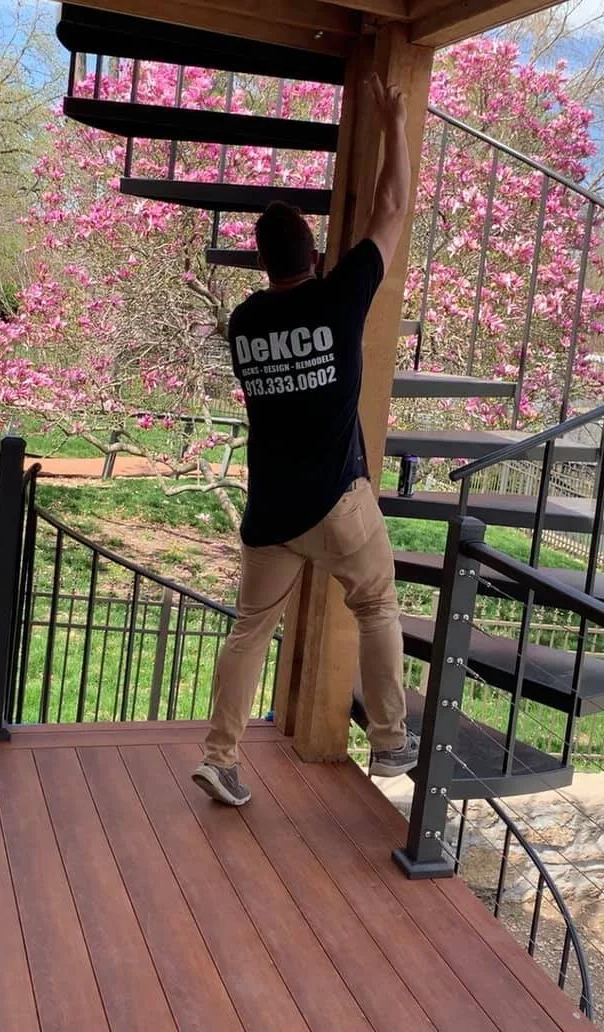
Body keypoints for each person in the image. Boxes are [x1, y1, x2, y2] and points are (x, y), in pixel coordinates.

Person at [193, 75, 418, 806]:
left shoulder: (245, 322)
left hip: (271, 514)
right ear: (314, 253)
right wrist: (393, 121)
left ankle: (221, 756)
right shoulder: (340, 295)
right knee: (376, 605)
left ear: (261, 264)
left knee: (249, 630)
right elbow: (392, 208)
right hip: (339, 505)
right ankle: (390, 740)